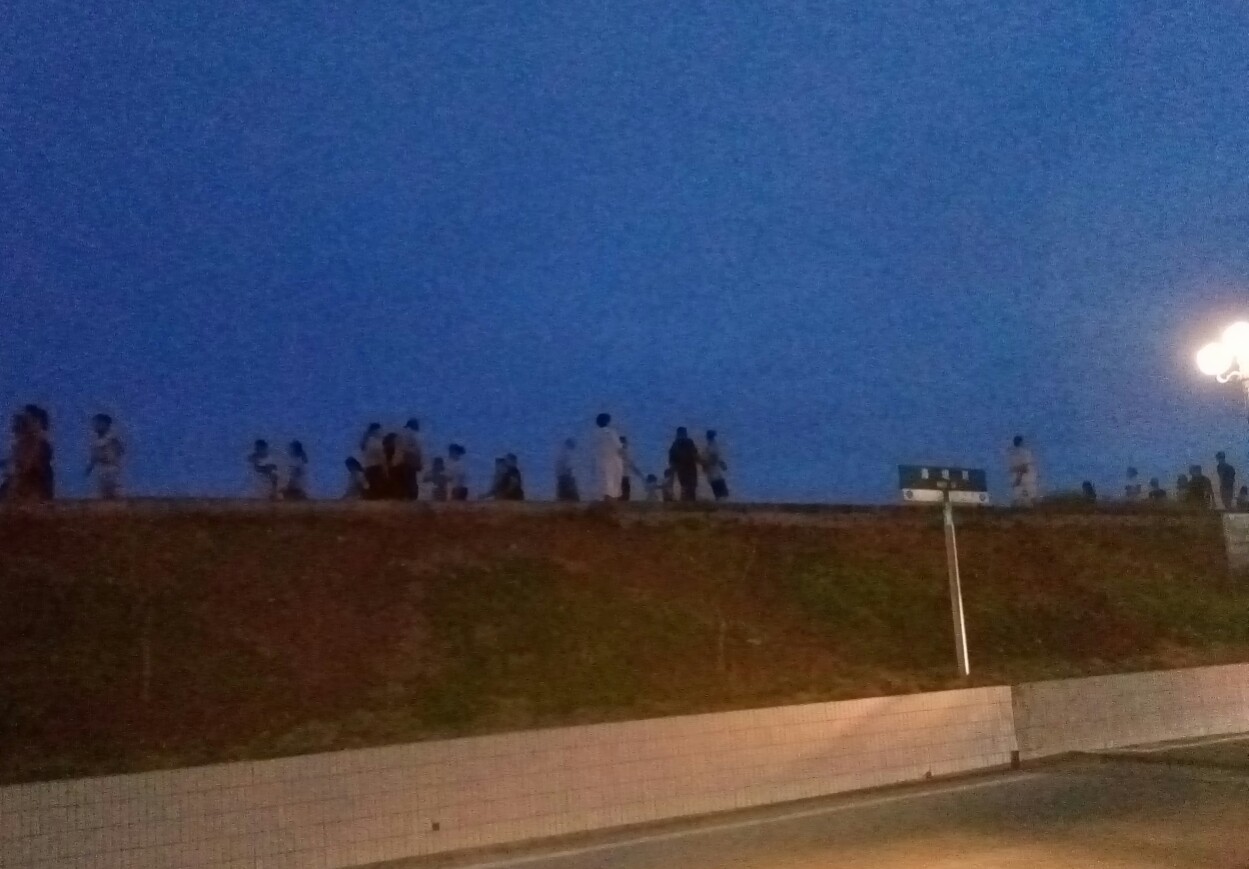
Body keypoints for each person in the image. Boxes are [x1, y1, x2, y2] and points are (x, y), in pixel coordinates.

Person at [85, 413, 124, 500]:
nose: (96, 426)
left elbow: (121, 450)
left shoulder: (112, 438)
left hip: (112, 468)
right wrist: (90, 467)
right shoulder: (95, 441)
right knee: (103, 492)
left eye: (99, 423)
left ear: (106, 424)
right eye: (96, 423)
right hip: (102, 469)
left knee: (116, 491)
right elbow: (94, 456)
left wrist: (111, 455)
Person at [594, 413, 624, 501]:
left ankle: (606, 502)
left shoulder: (595, 433)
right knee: (613, 483)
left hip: (601, 461)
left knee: (605, 483)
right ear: (607, 421)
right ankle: (611, 503)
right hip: (613, 460)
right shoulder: (611, 432)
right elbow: (618, 447)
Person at [668, 426, 701, 501]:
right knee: (691, 487)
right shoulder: (689, 442)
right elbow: (695, 454)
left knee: (685, 487)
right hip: (690, 469)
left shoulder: (675, 444)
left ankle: (686, 502)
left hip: (682, 469)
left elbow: (671, 459)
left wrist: (672, 469)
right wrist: (703, 462)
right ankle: (690, 503)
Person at [1007, 435, 1038, 507]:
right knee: (1019, 499)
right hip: (1021, 478)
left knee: (1028, 498)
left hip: (1026, 478)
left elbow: (1024, 467)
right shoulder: (1016, 453)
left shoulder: (1023, 452)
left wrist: (1018, 478)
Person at [398, 418, 425, 500]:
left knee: (408, 477)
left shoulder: (407, 434)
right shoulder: (416, 435)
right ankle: (412, 496)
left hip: (407, 457)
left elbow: (404, 447)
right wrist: (420, 461)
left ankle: (408, 495)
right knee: (412, 478)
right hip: (413, 457)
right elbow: (418, 449)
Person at [359, 423, 386, 499]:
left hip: (368, 466)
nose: (381, 432)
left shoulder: (367, 441)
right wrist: (384, 467)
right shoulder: (376, 442)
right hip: (376, 467)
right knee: (377, 487)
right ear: (376, 431)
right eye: (380, 430)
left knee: (372, 486)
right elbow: (381, 456)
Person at [702, 430, 729, 501]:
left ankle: (720, 497)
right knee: (716, 479)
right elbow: (717, 457)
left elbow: (714, 457)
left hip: (713, 467)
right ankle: (721, 497)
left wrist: (707, 464)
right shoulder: (712, 444)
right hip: (714, 467)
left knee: (715, 480)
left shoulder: (712, 445)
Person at [555, 438, 580, 502]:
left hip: (560, 474)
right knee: (570, 492)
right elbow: (568, 466)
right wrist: (570, 476)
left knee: (562, 492)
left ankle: (562, 500)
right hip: (566, 475)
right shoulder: (567, 453)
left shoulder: (561, 452)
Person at [619, 435, 643, 501]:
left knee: (625, 489)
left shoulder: (622, 451)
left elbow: (630, 463)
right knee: (625, 489)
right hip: (624, 474)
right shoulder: (623, 451)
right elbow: (630, 464)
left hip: (624, 474)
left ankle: (624, 499)